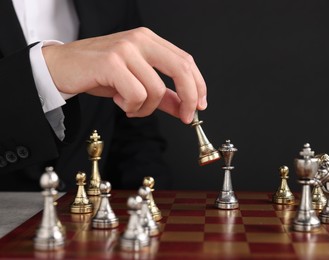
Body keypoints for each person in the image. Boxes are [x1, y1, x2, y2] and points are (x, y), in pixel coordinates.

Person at [0, 0, 207, 191]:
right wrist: (43, 71)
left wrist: (155, 214)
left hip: (89, 223)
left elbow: (133, 137)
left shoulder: (113, 6)